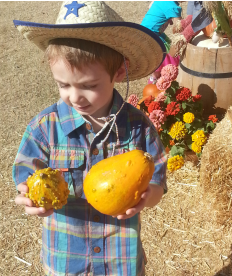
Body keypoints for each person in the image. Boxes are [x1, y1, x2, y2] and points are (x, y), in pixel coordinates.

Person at [12, 2, 168, 274]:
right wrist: (29, 197)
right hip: (67, 261)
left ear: (119, 72)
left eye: (89, 85)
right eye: (63, 85)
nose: (75, 97)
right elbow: (25, 173)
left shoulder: (138, 127)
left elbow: (157, 181)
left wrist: (146, 197)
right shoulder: (45, 127)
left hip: (120, 261)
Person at [141, 1, 182, 84]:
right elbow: (180, 28)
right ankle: (158, 81)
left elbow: (152, 7)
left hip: (143, 33)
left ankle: (155, 79)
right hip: (152, 37)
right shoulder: (173, 7)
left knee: (155, 62)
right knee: (167, 58)